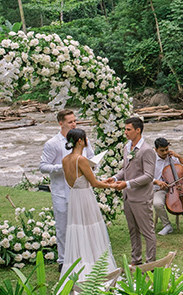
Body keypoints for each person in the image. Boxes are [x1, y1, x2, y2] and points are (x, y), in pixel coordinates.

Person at [39, 109, 94, 270]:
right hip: (61, 191)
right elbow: (43, 166)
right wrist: (64, 167)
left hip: (79, 190)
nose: (73, 124)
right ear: (60, 123)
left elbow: (90, 156)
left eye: (75, 121)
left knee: (81, 223)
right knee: (63, 226)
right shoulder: (52, 143)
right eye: (70, 122)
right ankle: (63, 260)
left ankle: (82, 256)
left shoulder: (82, 140)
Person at [61, 128, 117, 280]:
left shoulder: (65, 160)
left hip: (74, 197)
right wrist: (111, 186)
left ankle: (81, 261)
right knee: (91, 228)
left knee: (79, 229)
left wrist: (102, 182)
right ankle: (94, 266)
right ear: (80, 140)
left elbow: (78, 181)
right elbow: (94, 184)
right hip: (85, 198)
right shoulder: (81, 159)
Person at [103, 117, 157, 265]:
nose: (125, 132)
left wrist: (127, 184)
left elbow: (149, 176)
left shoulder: (147, 151)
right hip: (128, 197)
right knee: (133, 231)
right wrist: (114, 178)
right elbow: (126, 170)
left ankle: (151, 263)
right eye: (125, 129)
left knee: (147, 231)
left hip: (141, 198)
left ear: (138, 130)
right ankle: (136, 260)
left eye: (128, 129)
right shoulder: (127, 147)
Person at [152, 138, 183, 235]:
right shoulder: (151, 160)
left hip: (176, 187)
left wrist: (179, 157)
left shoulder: (172, 158)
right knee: (157, 203)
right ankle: (167, 226)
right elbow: (146, 176)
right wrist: (157, 181)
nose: (165, 152)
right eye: (162, 151)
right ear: (156, 150)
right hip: (159, 190)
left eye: (166, 149)